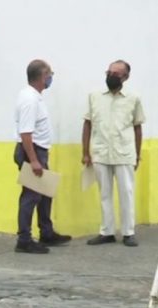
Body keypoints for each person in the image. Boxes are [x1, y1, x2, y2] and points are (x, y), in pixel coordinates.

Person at [82, 60, 146, 247]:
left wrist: (137, 154)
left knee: (126, 192)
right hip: (101, 152)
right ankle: (106, 232)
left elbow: (137, 128)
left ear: (125, 77)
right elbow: (87, 124)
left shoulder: (133, 98)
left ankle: (128, 232)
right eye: (109, 72)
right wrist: (85, 152)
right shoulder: (94, 96)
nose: (111, 76)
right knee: (105, 193)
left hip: (124, 153)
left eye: (116, 74)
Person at [13, 59, 72, 254]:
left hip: (39, 150)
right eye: (49, 74)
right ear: (41, 76)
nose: (51, 78)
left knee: (45, 193)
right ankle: (24, 239)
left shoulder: (34, 97)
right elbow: (26, 133)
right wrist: (34, 160)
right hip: (32, 151)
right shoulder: (30, 100)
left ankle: (47, 232)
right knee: (31, 195)